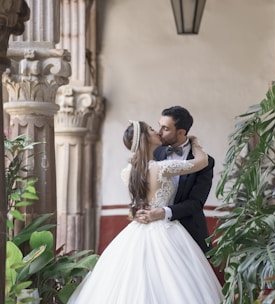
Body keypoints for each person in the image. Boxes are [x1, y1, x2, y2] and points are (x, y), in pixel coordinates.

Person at [67, 120, 223, 304]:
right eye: (150, 129)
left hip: (137, 230)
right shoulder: (161, 168)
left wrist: (135, 214)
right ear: (145, 139)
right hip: (166, 231)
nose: (156, 131)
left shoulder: (127, 172)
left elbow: (136, 205)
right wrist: (194, 142)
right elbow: (202, 161)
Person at [135, 106, 214, 253]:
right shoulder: (154, 152)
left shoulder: (204, 161)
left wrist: (163, 212)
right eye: (159, 126)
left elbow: (196, 203)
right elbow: (140, 189)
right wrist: (137, 212)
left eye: (165, 128)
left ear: (181, 132)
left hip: (189, 233)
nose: (159, 132)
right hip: (153, 233)